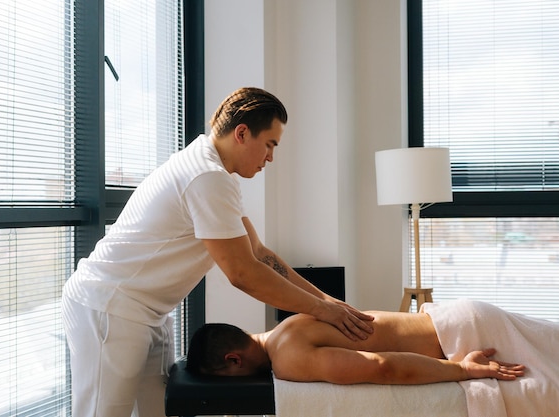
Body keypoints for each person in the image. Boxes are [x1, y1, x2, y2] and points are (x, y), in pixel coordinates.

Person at [61, 87, 374, 417]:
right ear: (242, 133)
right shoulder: (206, 176)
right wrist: (323, 311)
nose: (271, 157)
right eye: (270, 144)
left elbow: (259, 253)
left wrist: (327, 301)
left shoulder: (218, 174)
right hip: (110, 306)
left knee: (157, 410)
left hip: (148, 312)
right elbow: (242, 274)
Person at [187, 299, 559, 386]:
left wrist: (461, 369)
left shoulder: (287, 358)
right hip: (460, 315)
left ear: (234, 360)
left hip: (462, 336)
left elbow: (382, 367)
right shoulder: (291, 324)